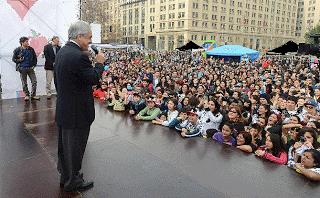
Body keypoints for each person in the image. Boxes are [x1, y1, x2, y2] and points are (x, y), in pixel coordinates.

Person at [54, 21, 106, 193]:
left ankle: (66, 177)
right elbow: (92, 78)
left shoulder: (62, 51)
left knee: (65, 148)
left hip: (65, 108)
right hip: (77, 112)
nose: (90, 41)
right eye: (89, 38)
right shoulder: (79, 56)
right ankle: (73, 182)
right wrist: (99, 63)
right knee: (75, 148)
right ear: (79, 36)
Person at [12, 36, 40, 101]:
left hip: (30, 68)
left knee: (34, 82)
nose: (28, 42)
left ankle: (33, 95)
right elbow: (13, 59)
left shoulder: (31, 49)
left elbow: (35, 58)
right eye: (26, 41)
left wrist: (34, 65)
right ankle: (27, 95)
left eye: (28, 41)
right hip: (22, 69)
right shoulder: (17, 50)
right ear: (22, 43)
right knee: (24, 83)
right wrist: (20, 60)